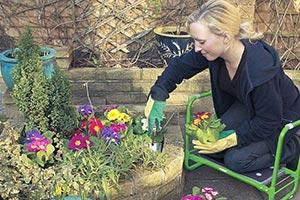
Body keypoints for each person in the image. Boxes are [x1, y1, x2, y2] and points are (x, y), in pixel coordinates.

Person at [144, 0, 300, 173]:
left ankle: (292, 148)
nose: (196, 48)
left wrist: (232, 139)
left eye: (201, 42)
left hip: (281, 118)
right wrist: (158, 94)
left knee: (235, 160)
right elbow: (179, 67)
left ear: (225, 37)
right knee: (209, 146)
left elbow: (269, 121)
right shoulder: (214, 51)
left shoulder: (259, 68)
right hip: (249, 107)